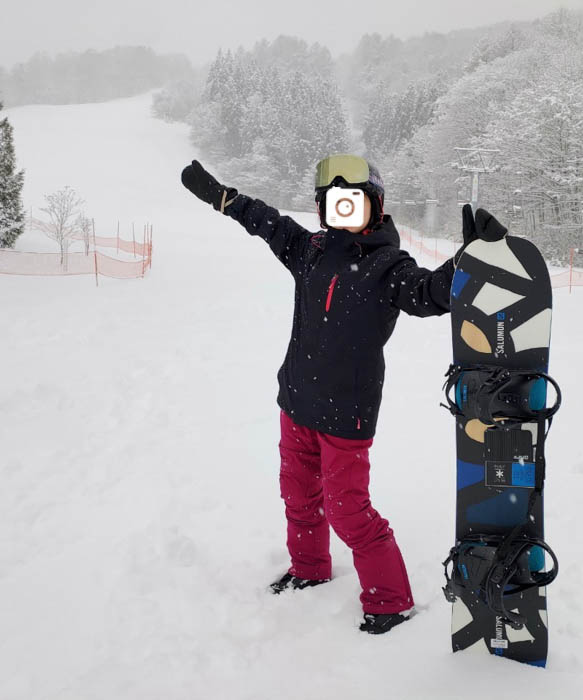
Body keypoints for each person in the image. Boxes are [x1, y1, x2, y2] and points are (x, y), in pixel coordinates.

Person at [181, 154, 461, 634]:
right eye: (335, 203)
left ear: (375, 206)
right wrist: (223, 198)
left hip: (346, 415)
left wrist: (470, 262)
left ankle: (391, 602)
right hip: (296, 400)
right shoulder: (309, 250)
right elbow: (266, 221)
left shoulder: (387, 265)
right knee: (298, 497)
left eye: (353, 202)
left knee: (348, 511)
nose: (344, 211)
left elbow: (428, 292)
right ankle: (309, 570)